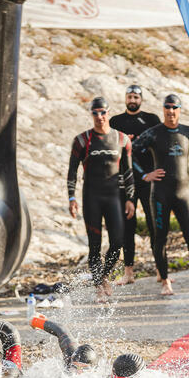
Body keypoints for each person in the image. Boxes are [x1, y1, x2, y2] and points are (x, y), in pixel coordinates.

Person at [132, 94, 189, 296]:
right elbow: (130, 152)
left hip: (183, 193)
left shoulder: (188, 132)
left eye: (174, 108)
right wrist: (144, 175)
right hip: (161, 194)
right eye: (167, 108)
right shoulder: (153, 133)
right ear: (163, 110)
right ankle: (165, 282)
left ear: (179, 109)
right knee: (160, 238)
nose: (170, 112)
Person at [67, 97, 134, 301]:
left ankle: (104, 276)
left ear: (108, 113)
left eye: (103, 112)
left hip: (114, 197)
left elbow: (128, 171)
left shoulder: (122, 139)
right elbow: (72, 171)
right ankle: (98, 287)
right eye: (95, 113)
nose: (99, 116)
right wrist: (71, 197)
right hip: (91, 197)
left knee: (117, 242)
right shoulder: (82, 140)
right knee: (94, 244)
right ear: (91, 114)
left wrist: (130, 198)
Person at [108, 84, 162, 285]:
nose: (132, 100)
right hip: (125, 181)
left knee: (154, 224)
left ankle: (160, 269)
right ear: (125, 99)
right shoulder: (116, 122)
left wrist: (154, 172)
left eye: (135, 97)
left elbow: (159, 146)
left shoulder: (151, 120)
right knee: (127, 227)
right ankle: (128, 272)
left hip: (149, 179)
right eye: (129, 96)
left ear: (141, 99)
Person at [29, 313, 98, 371]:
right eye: (75, 367)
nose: (78, 372)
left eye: (84, 369)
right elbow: (60, 330)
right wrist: (36, 321)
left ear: (93, 369)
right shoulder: (70, 355)